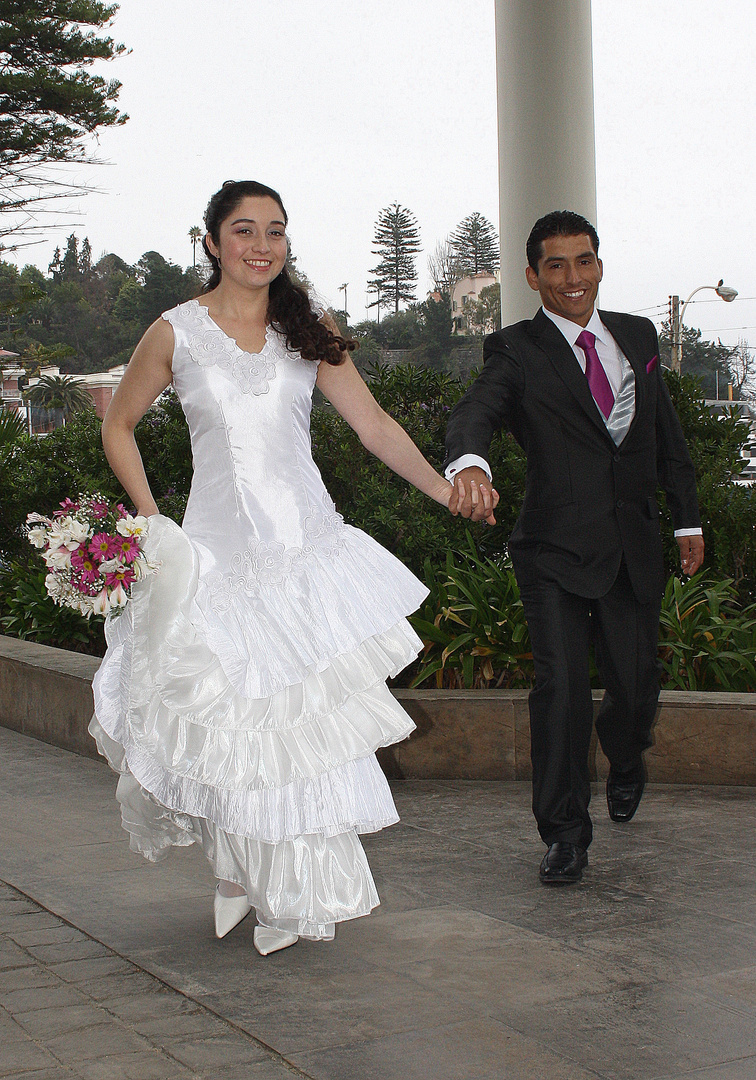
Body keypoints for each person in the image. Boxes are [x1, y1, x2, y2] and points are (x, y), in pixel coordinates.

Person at [90, 180, 468, 954]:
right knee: (234, 727)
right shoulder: (176, 332)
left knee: (302, 729)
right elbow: (119, 424)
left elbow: (371, 424)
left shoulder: (307, 327)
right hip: (218, 557)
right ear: (212, 242)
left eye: (275, 231)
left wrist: (441, 489)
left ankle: (284, 890)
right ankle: (238, 874)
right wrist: (151, 520)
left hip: (308, 555)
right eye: (243, 230)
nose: (261, 245)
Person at [445, 210, 704, 885]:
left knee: (635, 687)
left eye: (582, 261)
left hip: (634, 545)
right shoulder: (515, 349)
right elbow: (479, 408)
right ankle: (563, 831)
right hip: (555, 549)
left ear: (598, 264)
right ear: (533, 276)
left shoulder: (639, 335)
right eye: (554, 265)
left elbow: (664, 435)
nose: (571, 278)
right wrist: (470, 460)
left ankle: (625, 754)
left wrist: (687, 520)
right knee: (559, 689)